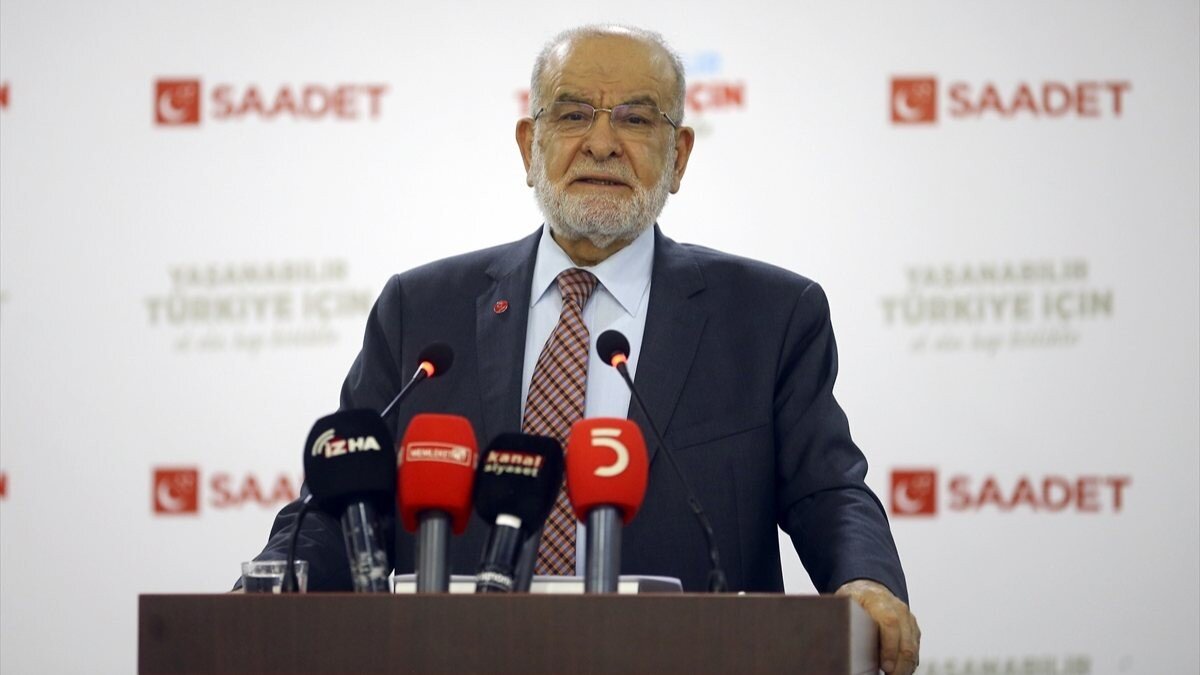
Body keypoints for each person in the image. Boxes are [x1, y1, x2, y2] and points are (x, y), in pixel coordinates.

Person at [248, 24, 920, 675]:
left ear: (680, 156)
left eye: (636, 119)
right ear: (529, 146)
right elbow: (342, 500)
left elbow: (827, 490)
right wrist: (273, 585)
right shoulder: (420, 309)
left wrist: (865, 580)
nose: (602, 144)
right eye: (573, 115)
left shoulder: (769, 315)